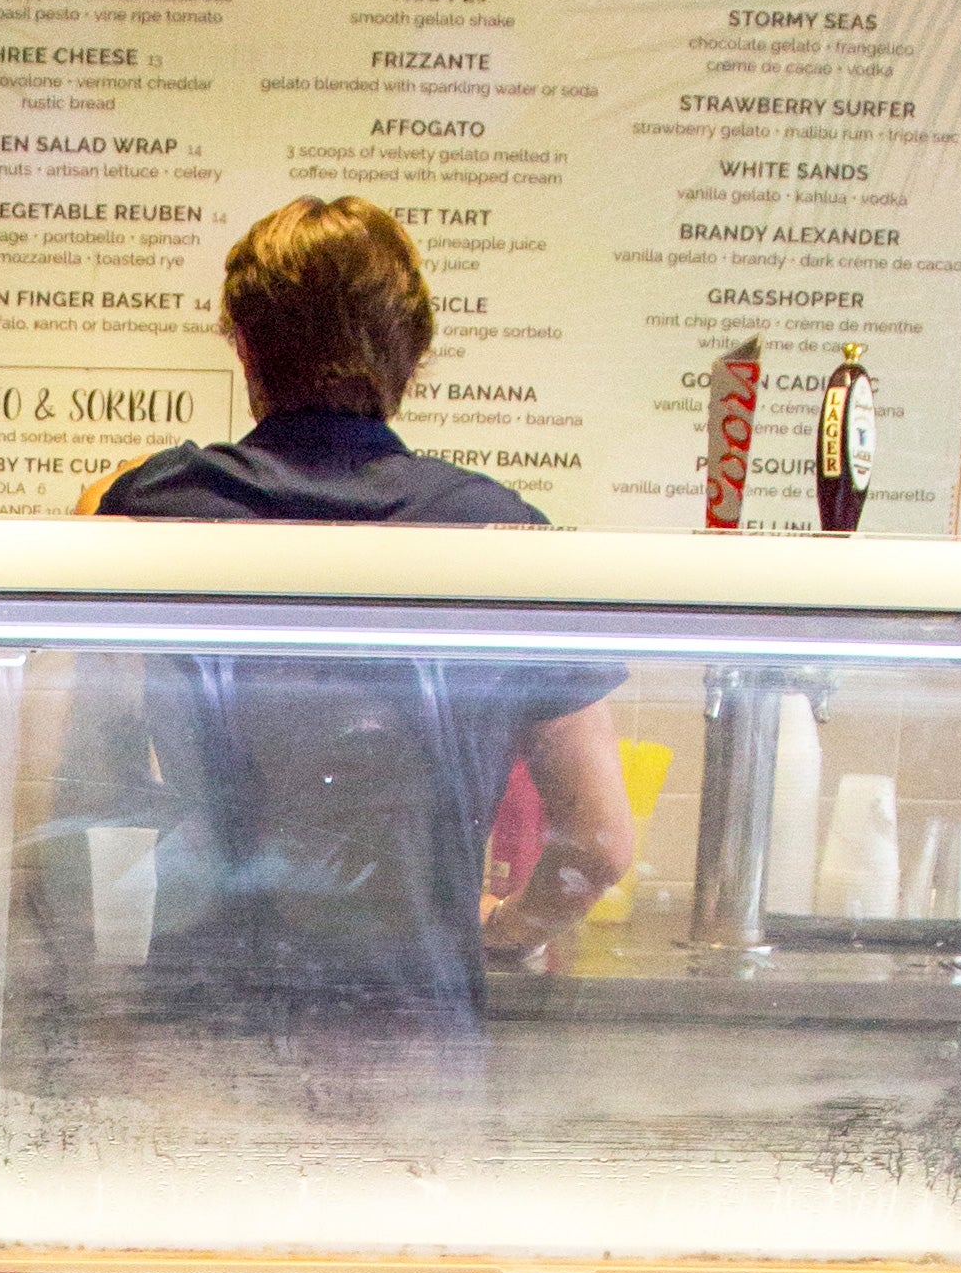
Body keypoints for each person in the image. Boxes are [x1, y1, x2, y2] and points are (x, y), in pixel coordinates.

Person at [81, 193, 633, 996]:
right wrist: (505, 933)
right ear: (416, 351)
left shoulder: (150, 507)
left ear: (242, 345)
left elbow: (68, 776)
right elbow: (599, 843)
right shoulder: (504, 540)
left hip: (208, 1010)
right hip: (411, 1015)